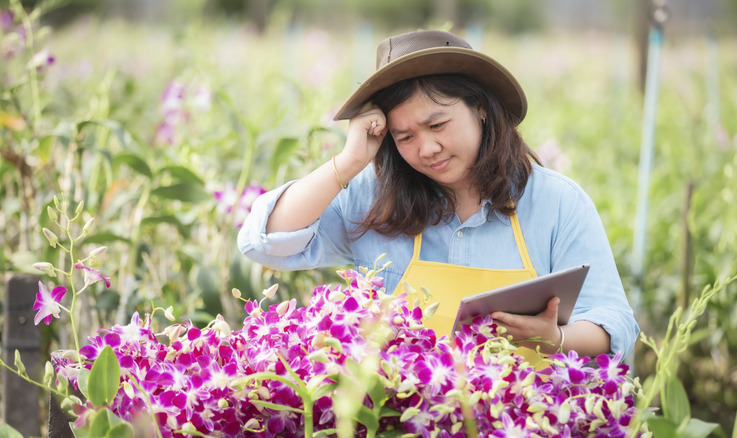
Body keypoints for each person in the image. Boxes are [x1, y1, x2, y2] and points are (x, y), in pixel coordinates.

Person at [238, 29, 639, 359]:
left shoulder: (556, 203)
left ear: (480, 107)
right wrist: (349, 162)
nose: (426, 148)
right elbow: (265, 242)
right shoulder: (375, 198)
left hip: (521, 417)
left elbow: (612, 321)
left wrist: (557, 340)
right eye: (405, 136)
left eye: (438, 124)